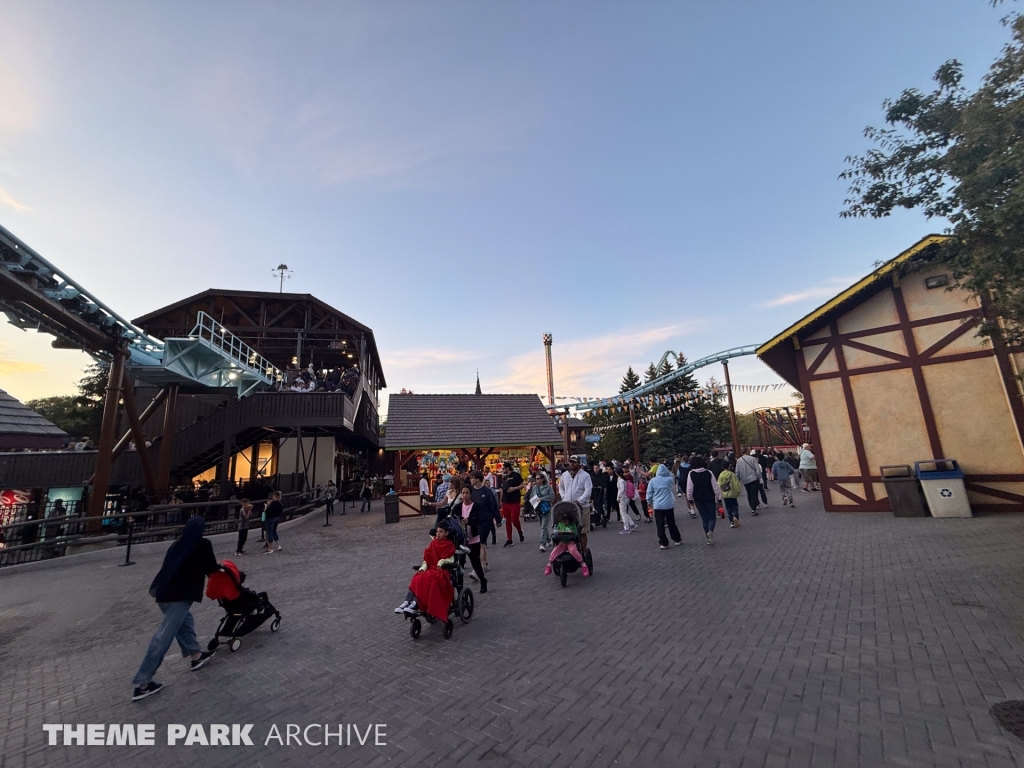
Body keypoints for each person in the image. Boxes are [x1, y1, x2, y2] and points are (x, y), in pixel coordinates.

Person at [131, 517, 218, 701]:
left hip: (163, 593)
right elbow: (211, 569)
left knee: (185, 622)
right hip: (180, 596)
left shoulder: (177, 544)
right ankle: (143, 683)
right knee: (163, 636)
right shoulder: (202, 544)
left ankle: (196, 655)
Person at [394, 525, 456, 619]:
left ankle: (415, 603)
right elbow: (427, 559)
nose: (438, 534)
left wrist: (441, 563)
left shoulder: (449, 545)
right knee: (417, 578)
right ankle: (407, 602)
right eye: (437, 532)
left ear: (446, 533)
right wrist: (423, 567)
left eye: (441, 532)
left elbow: (450, 559)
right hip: (431, 569)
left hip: (442, 571)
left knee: (429, 581)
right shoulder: (433, 544)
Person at [452, 486, 487, 592]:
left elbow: (478, 519)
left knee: (475, 562)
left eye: (467, 493)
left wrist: (469, 521)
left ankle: (482, 580)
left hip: (473, 539)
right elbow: (452, 519)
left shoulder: (476, 506)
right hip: (461, 540)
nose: (465, 495)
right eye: (463, 493)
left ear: (470, 494)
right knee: (460, 564)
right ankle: (460, 587)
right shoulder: (457, 507)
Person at [558, 456, 594, 554]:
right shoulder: (565, 475)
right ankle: (570, 549)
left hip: (582, 507)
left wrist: (579, 500)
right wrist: (564, 496)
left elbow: (588, 490)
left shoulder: (585, 475)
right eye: (570, 462)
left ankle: (583, 552)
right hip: (568, 506)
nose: (572, 464)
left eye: (574, 462)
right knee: (568, 529)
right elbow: (560, 487)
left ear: (578, 463)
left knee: (582, 531)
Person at [468, 471, 500, 573]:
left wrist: (498, 519)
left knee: (481, 542)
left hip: (485, 520)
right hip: (474, 521)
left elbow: (494, 506)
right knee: (480, 544)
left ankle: (479, 567)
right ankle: (485, 563)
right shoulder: (471, 491)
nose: (471, 480)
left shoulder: (487, 491)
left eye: (472, 478)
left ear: (477, 479)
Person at [687, 455, 723, 545]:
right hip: (709, 497)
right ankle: (710, 531)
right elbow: (715, 487)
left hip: (698, 499)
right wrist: (719, 498)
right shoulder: (708, 473)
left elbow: (689, 488)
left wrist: (690, 499)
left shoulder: (691, 474)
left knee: (704, 517)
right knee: (712, 517)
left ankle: (708, 536)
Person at [543, 506, 589, 577]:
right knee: (556, 550)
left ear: (569, 520)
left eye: (566, 521)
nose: (565, 523)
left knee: (573, 550)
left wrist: (570, 532)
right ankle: (549, 564)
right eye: (563, 522)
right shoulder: (559, 525)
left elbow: (574, 532)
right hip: (562, 542)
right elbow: (556, 532)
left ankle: (583, 564)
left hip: (570, 542)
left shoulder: (572, 525)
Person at [647, 464, 681, 549]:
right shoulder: (669, 480)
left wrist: (649, 502)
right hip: (668, 504)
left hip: (658, 505)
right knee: (671, 523)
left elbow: (649, 492)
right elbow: (671, 475)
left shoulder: (653, 481)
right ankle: (676, 539)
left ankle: (663, 542)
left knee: (660, 524)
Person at [500, 463, 525, 547]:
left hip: (514, 501)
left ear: (507, 468)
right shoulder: (504, 477)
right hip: (505, 502)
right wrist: (501, 499)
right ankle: (509, 539)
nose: (503, 469)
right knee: (507, 521)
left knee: (515, 520)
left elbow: (522, 485)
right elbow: (502, 489)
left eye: (503, 468)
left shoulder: (516, 475)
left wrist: (515, 488)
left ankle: (520, 531)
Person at [529, 472, 555, 550]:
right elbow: (532, 496)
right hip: (538, 509)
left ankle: (542, 543)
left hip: (546, 508)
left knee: (544, 526)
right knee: (542, 526)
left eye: (538, 478)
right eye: (536, 479)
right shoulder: (534, 488)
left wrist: (542, 499)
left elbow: (552, 496)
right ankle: (548, 540)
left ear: (542, 479)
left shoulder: (548, 487)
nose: (536, 480)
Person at [736, 450, 764, 516]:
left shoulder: (739, 460)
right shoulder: (753, 459)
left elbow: (737, 471)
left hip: (745, 480)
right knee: (754, 493)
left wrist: (738, 479)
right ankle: (753, 507)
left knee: (749, 493)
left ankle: (751, 506)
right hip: (753, 478)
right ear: (747, 452)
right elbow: (757, 469)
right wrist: (759, 477)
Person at [717, 462, 743, 528]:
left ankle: (731, 522)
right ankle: (735, 517)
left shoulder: (721, 475)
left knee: (728, 508)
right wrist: (738, 492)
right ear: (729, 467)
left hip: (725, 494)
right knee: (735, 506)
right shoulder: (732, 474)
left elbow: (719, 485)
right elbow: (737, 484)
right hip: (733, 494)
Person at [615, 468, 638, 534]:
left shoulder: (621, 480)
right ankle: (631, 524)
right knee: (624, 512)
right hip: (624, 497)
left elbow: (621, 490)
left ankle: (627, 528)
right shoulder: (621, 479)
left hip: (623, 498)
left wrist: (618, 497)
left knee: (623, 513)